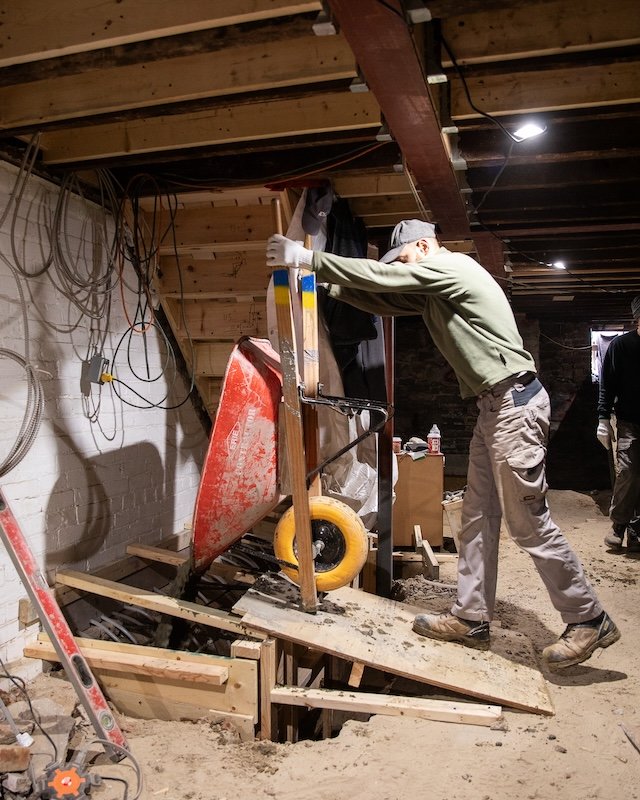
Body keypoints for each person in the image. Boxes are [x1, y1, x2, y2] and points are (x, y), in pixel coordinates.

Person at [266, 219, 621, 671]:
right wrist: (325, 285)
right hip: (494, 406)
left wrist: (309, 258)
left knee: (526, 520)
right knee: (475, 516)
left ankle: (588, 617)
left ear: (424, 244)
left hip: (513, 403)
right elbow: (388, 298)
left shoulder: (454, 268)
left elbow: (391, 279)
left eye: (406, 257)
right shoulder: (437, 286)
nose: (405, 266)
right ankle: (471, 616)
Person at [596, 296, 640, 553]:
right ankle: (619, 525)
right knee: (629, 472)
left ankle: (637, 528)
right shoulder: (621, 346)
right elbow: (607, 384)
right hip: (630, 421)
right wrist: (603, 418)